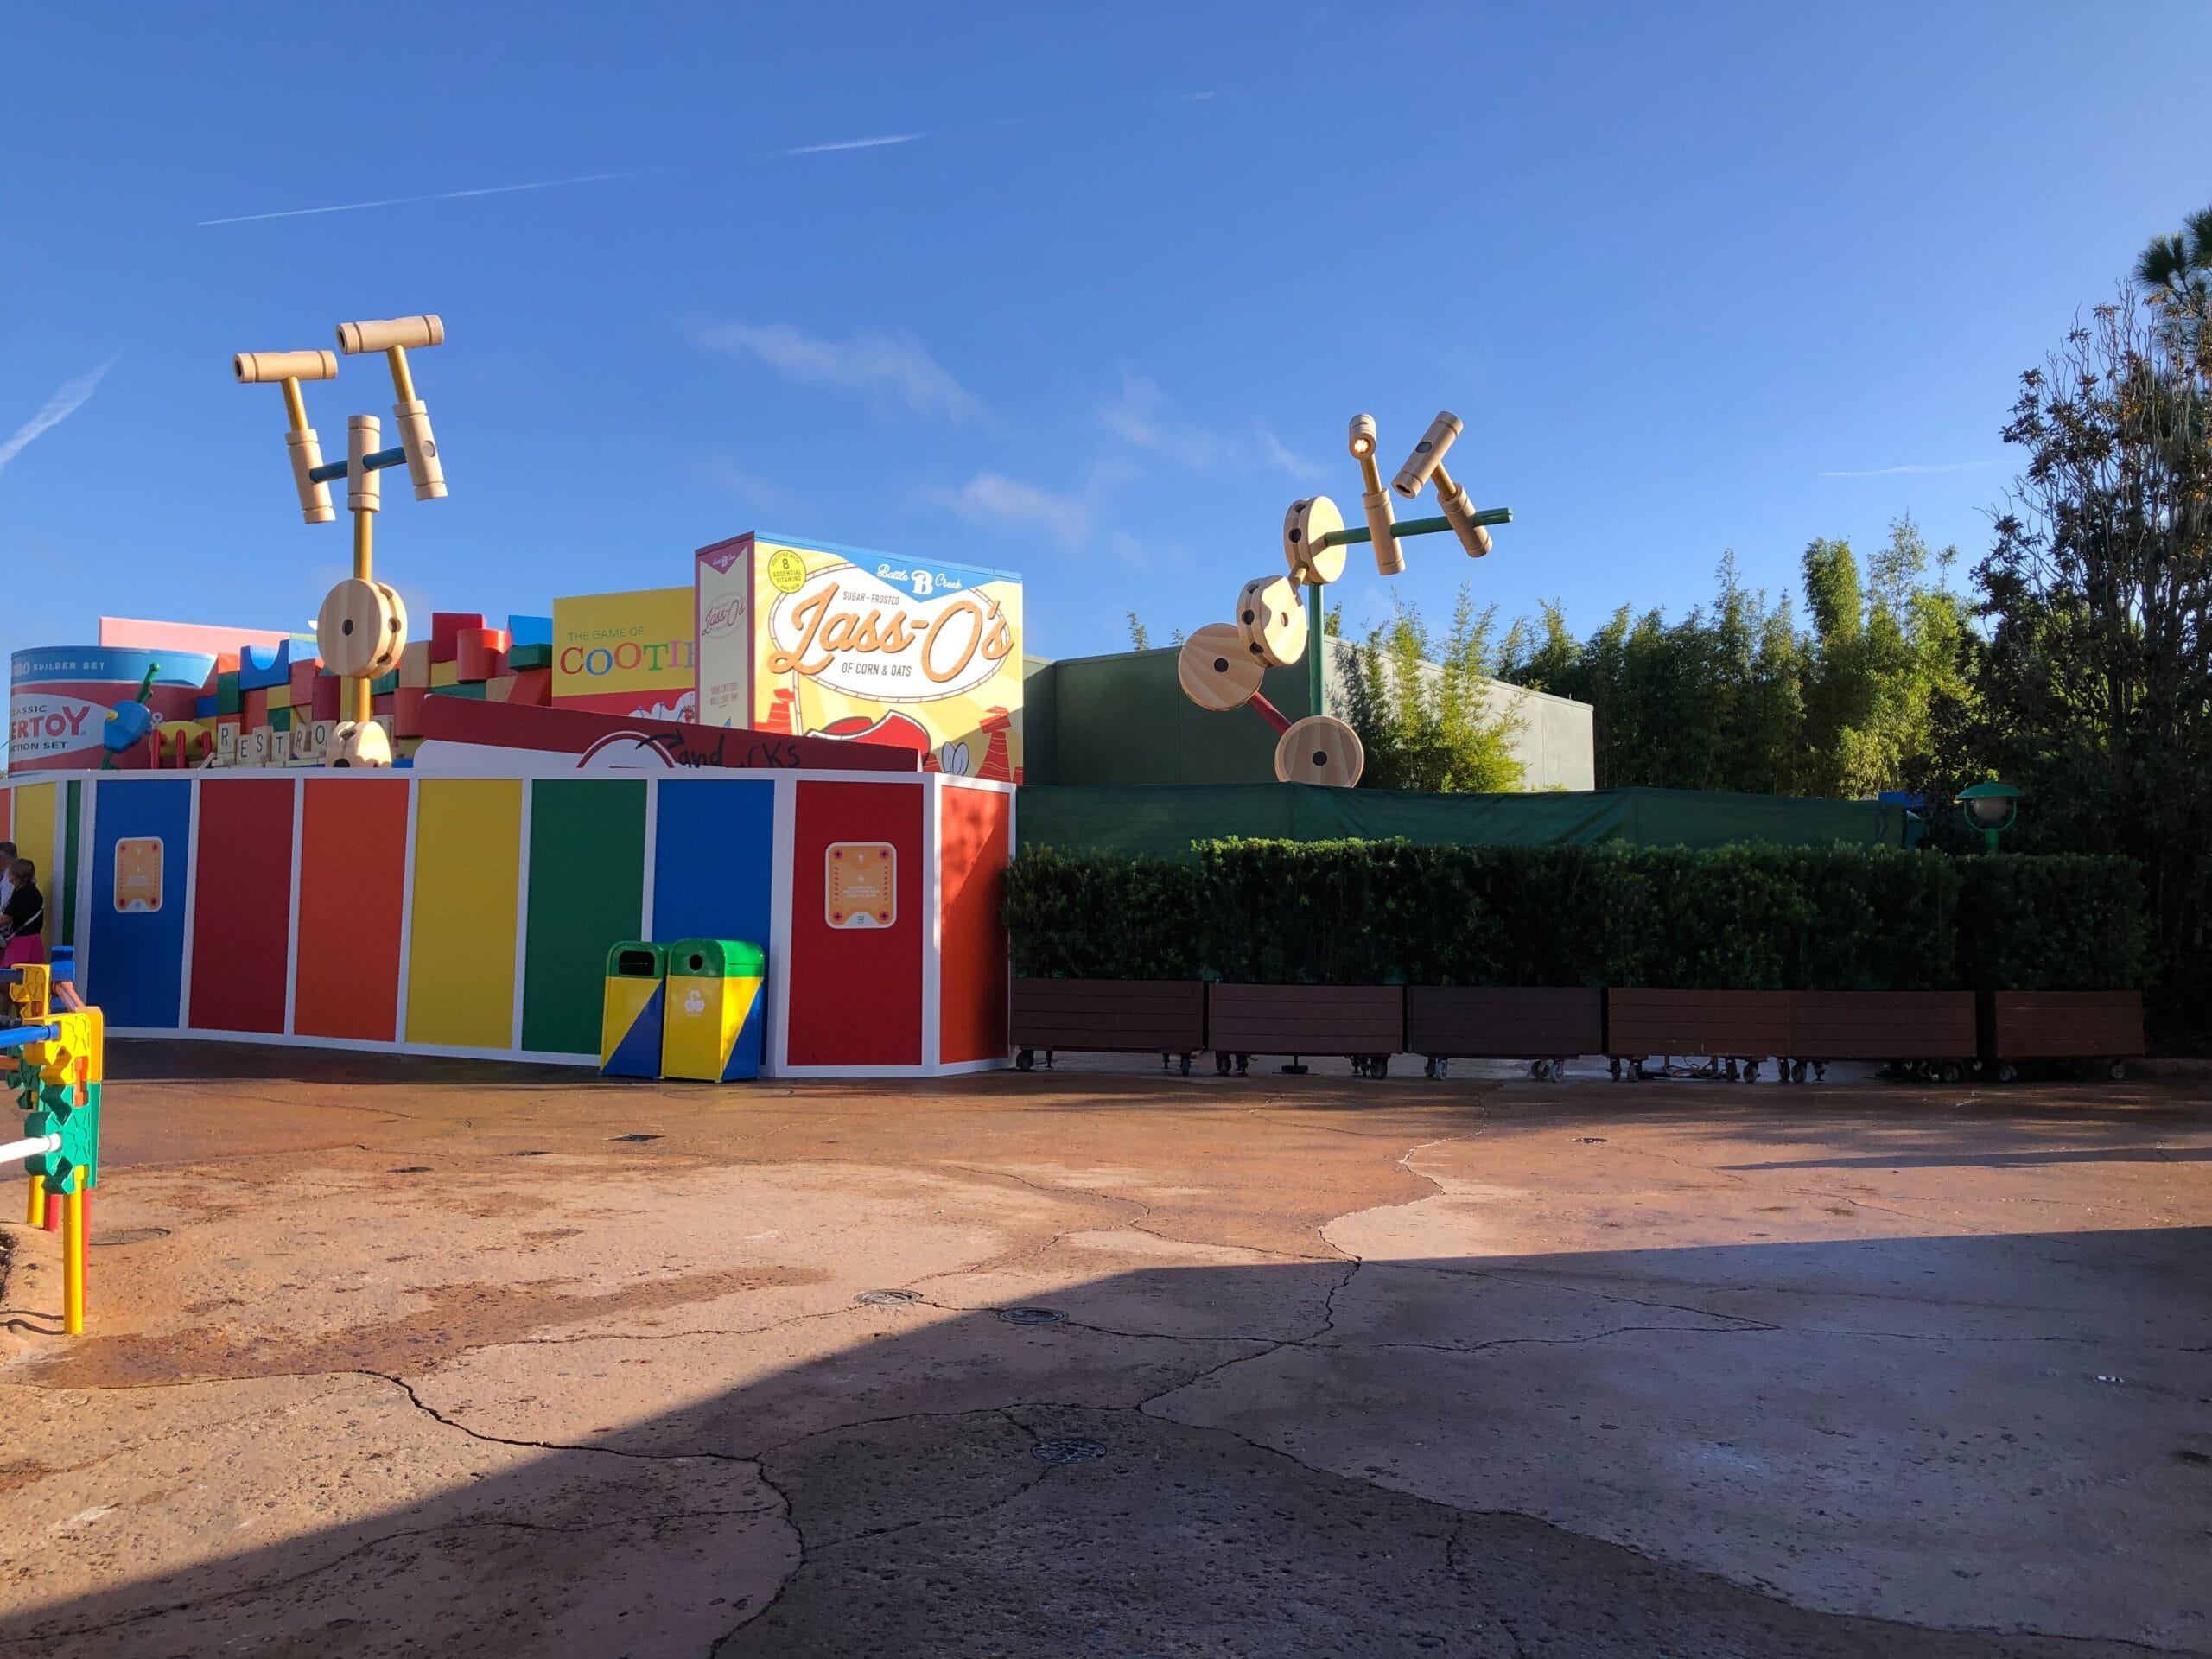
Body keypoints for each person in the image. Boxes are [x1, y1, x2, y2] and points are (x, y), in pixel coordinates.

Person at [0, 858, 45, 969]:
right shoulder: (32, 891)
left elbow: (7, 919)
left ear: (16, 875)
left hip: (22, 942)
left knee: (8, 978)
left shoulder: (22, 894)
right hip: (34, 941)